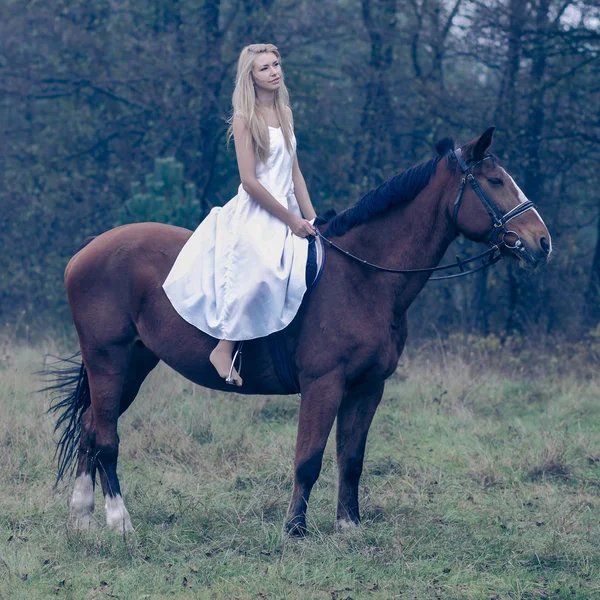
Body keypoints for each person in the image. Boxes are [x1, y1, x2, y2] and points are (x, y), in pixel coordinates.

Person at [162, 43, 317, 387]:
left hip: (289, 208)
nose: (274, 71)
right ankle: (225, 345)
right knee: (262, 268)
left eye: (276, 64)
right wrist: (289, 221)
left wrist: (312, 218)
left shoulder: (286, 113)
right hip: (258, 210)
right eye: (265, 68)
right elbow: (249, 182)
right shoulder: (246, 119)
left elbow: (295, 174)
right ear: (251, 77)